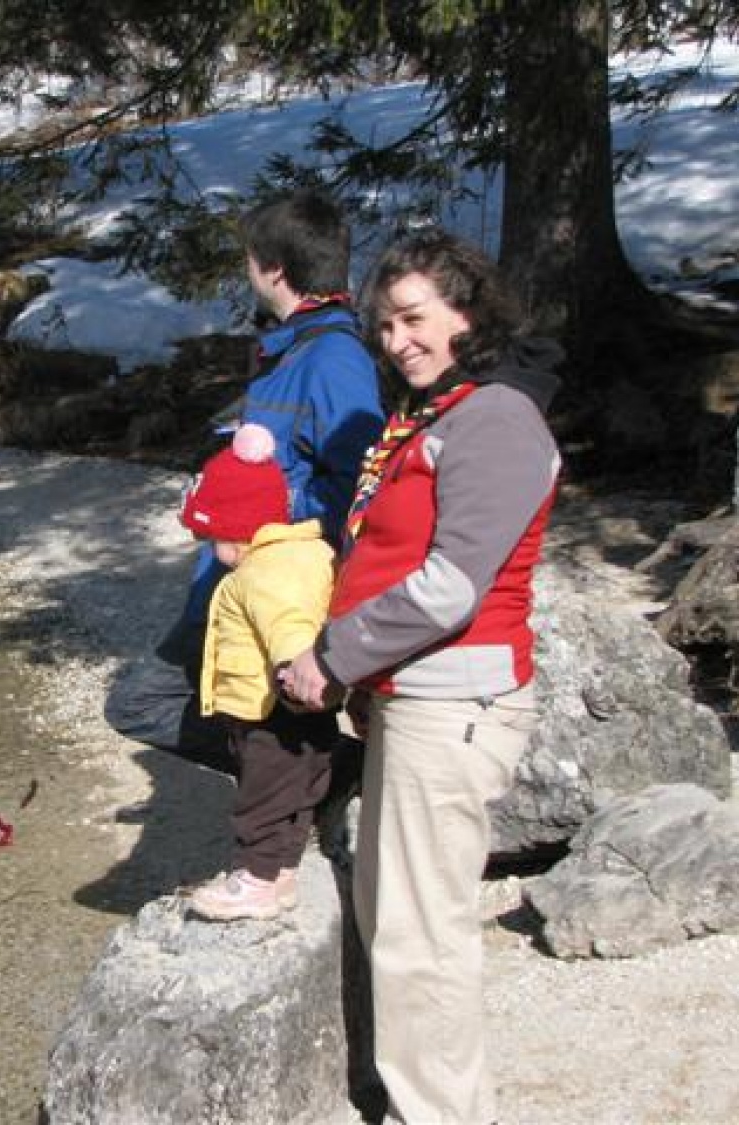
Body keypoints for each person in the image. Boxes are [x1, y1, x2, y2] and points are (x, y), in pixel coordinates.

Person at [278, 231, 562, 1124]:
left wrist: (330, 657)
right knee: (399, 919)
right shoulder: (442, 412)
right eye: (387, 324)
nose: (397, 340)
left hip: (454, 704)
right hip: (413, 698)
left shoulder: (498, 417)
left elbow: (449, 585)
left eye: (414, 319)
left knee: (422, 936)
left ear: (467, 312)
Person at [104, 189, 384, 773]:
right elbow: (278, 460)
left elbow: (362, 485)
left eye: (249, 258)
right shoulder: (289, 351)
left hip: (272, 582)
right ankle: (301, 786)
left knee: (138, 702)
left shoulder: (333, 357)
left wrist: (263, 526)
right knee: (223, 709)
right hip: (235, 575)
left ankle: (333, 776)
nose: (247, 269)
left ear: (274, 268)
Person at [176, 423, 341, 921]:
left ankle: (255, 881)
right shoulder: (302, 553)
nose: (211, 549)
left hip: (271, 707)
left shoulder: (265, 572)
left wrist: (294, 667)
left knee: (261, 798)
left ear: (238, 528)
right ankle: (282, 873)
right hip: (299, 709)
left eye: (213, 537)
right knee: (299, 790)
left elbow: (289, 624)